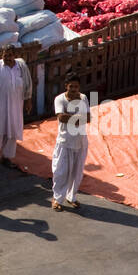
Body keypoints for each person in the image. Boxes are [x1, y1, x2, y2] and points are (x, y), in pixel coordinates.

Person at [0, 48, 32, 171]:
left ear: (15, 55)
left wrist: (28, 101)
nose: (7, 58)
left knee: (13, 131)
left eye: (10, 55)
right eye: (5, 55)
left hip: (16, 105)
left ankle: (7, 157)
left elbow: (27, 86)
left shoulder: (21, 67)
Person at [51, 72, 90, 211]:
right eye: (71, 86)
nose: (74, 89)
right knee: (61, 172)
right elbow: (61, 117)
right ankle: (57, 198)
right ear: (66, 86)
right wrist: (79, 118)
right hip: (65, 141)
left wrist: (73, 118)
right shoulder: (60, 99)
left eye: (76, 87)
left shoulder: (83, 98)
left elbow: (88, 118)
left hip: (80, 141)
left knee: (77, 172)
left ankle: (71, 197)